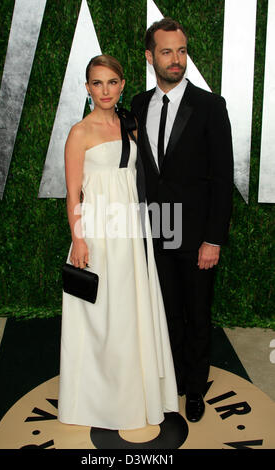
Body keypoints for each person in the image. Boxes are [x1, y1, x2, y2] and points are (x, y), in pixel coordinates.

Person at [57, 54, 178, 430]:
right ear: (87, 87)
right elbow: (73, 193)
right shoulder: (80, 132)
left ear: (122, 85)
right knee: (100, 316)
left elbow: (141, 179)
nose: (105, 90)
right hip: (96, 233)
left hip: (130, 232)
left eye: (112, 82)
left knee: (130, 313)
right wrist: (78, 240)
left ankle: (135, 393)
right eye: (97, 83)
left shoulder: (132, 125)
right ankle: (98, 398)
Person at [131, 18, 234, 423]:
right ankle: (171, 383)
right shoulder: (138, 105)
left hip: (196, 237)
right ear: (150, 56)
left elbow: (223, 178)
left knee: (197, 315)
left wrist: (214, 239)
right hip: (155, 231)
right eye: (167, 52)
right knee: (167, 312)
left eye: (182, 51)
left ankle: (195, 389)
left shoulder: (210, 106)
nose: (177, 60)